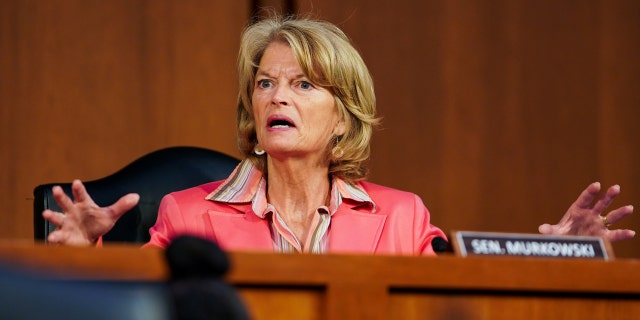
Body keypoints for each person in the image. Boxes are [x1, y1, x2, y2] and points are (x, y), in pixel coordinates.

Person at [41, 16, 636, 254]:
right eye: (266, 84)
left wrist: (557, 253)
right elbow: (138, 311)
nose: (277, 96)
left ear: (345, 114)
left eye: (303, 85)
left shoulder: (403, 219)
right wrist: (85, 258)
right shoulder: (185, 215)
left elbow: (458, 304)